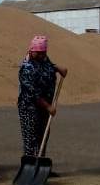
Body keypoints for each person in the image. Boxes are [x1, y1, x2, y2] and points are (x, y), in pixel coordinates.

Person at [17, 35, 67, 163]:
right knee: (31, 137)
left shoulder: (43, 58)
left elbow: (49, 65)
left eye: (43, 53)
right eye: (38, 53)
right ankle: (30, 167)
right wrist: (48, 106)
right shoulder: (27, 68)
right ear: (31, 51)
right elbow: (33, 94)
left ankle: (41, 165)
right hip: (30, 108)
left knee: (43, 136)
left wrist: (57, 68)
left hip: (45, 106)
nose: (41, 56)